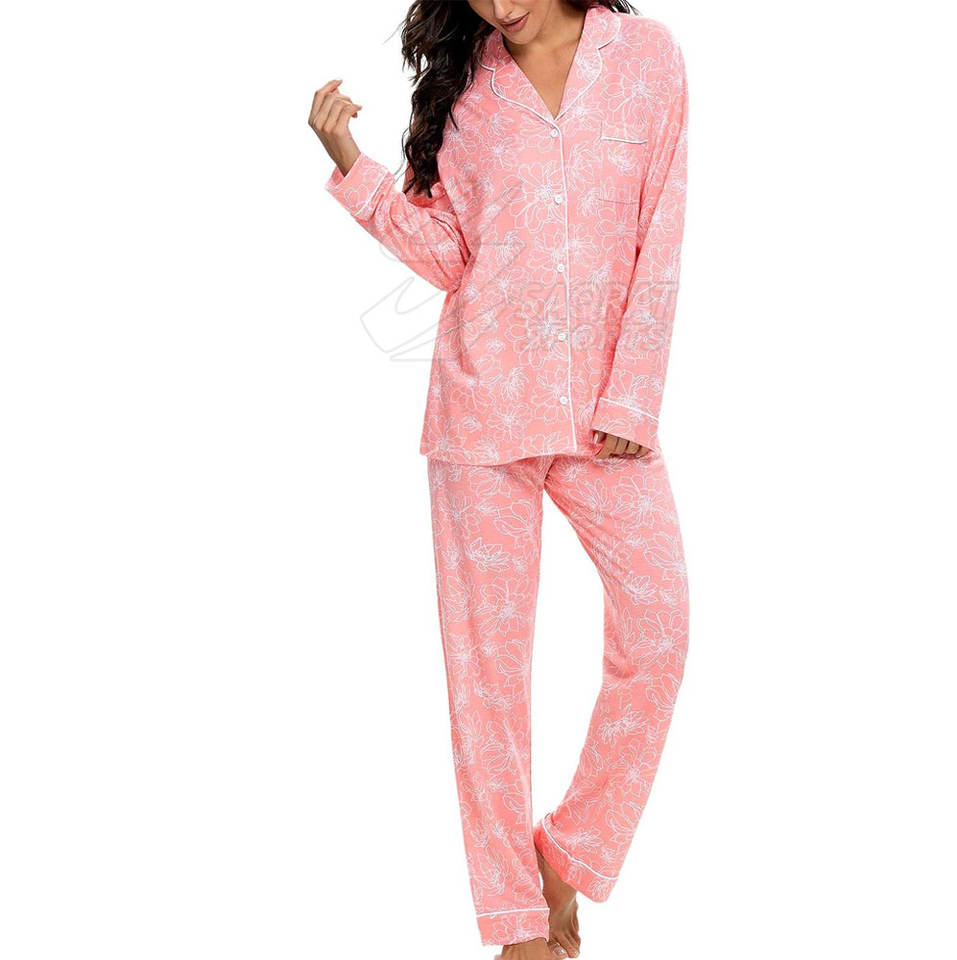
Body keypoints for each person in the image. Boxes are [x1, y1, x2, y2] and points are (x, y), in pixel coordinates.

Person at [309, 2, 689, 957]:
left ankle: (568, 856)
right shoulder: (464, 87)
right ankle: (515, 922)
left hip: (607, 417)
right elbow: (450, 255)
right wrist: (352, 165)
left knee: (660, 628)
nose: (498, 4)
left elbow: (662, 231)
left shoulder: (645, 58)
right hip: (482, 409)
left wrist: (634, 398)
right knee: (487, 679)